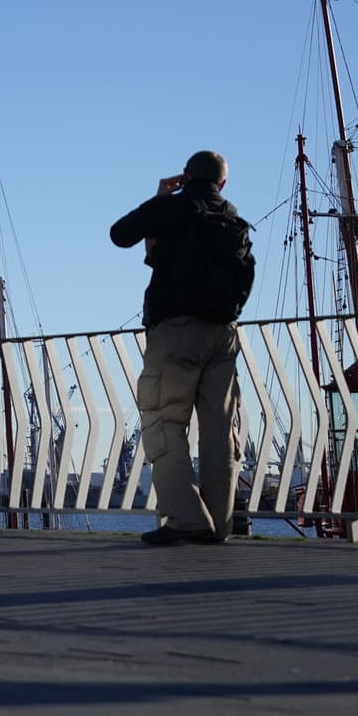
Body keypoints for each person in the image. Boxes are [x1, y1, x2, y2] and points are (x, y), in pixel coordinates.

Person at [110, 150, 256, 547]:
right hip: (224, 334)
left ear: (186, 176)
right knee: (219, 432)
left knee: (163, 421)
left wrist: (159, 199)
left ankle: (186, 518)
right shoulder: (233, 219)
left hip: (174, 331)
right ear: (222, 183)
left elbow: (120, 234)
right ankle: (219, 524)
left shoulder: (171, 209)